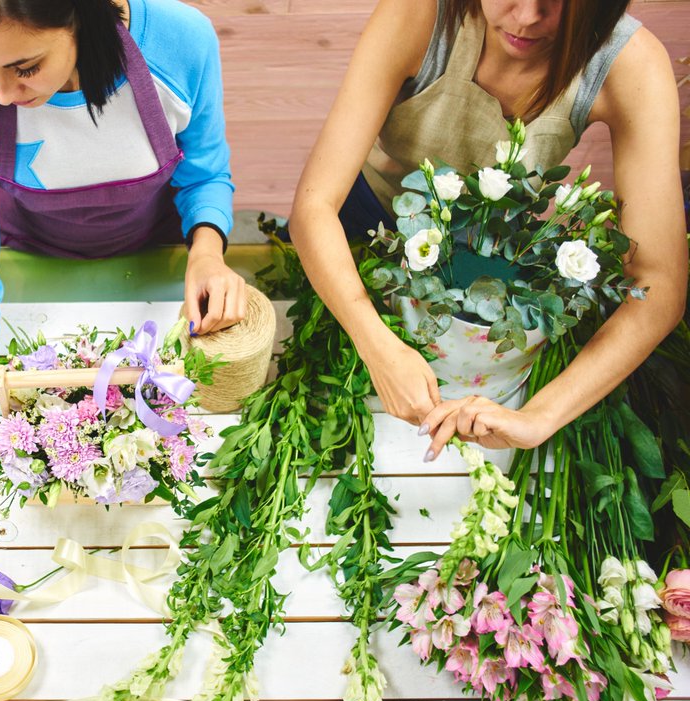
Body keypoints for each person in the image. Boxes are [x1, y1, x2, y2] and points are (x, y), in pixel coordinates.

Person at [0, 0, 244, 578]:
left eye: (24, 67)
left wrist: (209, 250)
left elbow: (205, 173)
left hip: (159, 264)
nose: (3, 94)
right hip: (32, 276)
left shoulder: (180, 42)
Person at [290, 0, 687, 462]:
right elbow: (314, 206)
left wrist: (539, 416)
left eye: (556, 4)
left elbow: (659, 284)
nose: (525, 18)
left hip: (495, 265)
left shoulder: (630, 63)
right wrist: (376, 342)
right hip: (371, 230)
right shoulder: (420, 15)